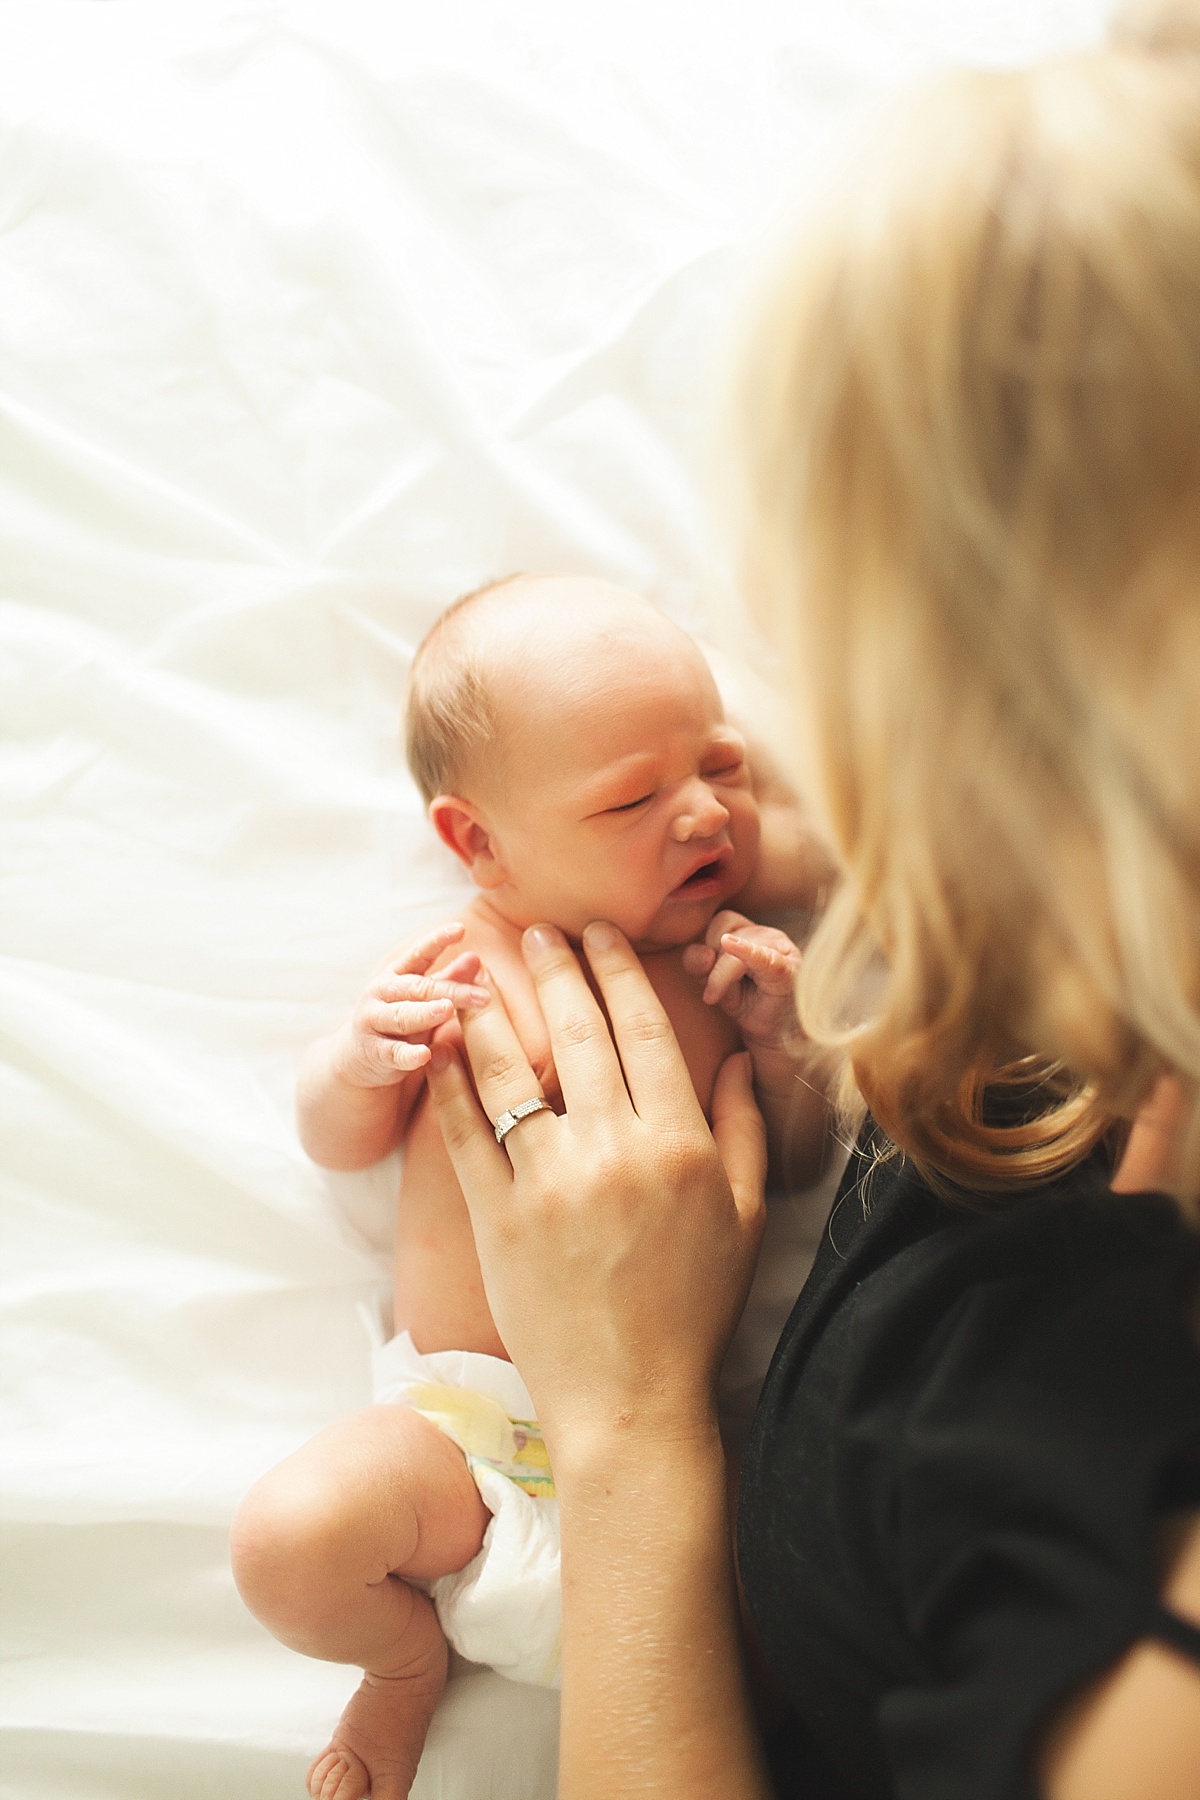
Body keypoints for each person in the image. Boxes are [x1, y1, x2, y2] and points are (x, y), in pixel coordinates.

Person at [409, 7, 1200, 1798]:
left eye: (825, 644)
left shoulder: (1126, 1662)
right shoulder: (1070, 926)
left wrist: (620, 1428)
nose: (733, 783)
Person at [229, 575, 836, 1800]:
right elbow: (337, 1141)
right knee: (291, 1543)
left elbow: (800, 1160)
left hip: (695, 1436)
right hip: (469, 1442)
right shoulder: (463, 971)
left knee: (818, 1618)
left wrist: (784, 1050)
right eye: (631, 797)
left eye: (721, 765)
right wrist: (357, 1065)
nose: (704, 813)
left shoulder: (728, 964)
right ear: (479, 843)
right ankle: (403, 1673)